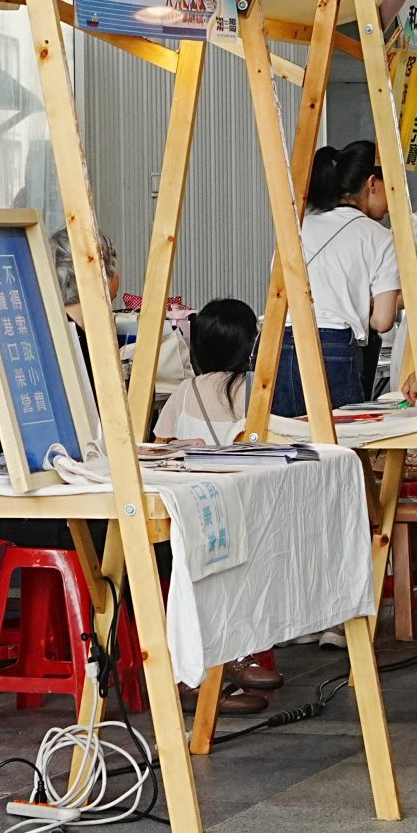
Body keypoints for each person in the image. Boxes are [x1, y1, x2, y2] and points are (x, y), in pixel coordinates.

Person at [152, 298, 280, 712]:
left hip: (188, 518)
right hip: (241, 519)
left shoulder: (183, 392)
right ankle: (224, 664)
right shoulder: (253, 391)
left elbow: (157, 449)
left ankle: (218, 666)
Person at [274, 141, 401, 417]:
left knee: (287, 447)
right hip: (333, 348)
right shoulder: (379, 237)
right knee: (341, 449)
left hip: (277, 344)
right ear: (372, 183)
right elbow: (382, 320)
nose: (392, 202)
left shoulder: (300, 227)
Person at [155, 298, 259, 444]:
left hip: (191, 467)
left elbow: (158, 447)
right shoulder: (257, 389)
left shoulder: (185, 390)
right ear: (249, 344)